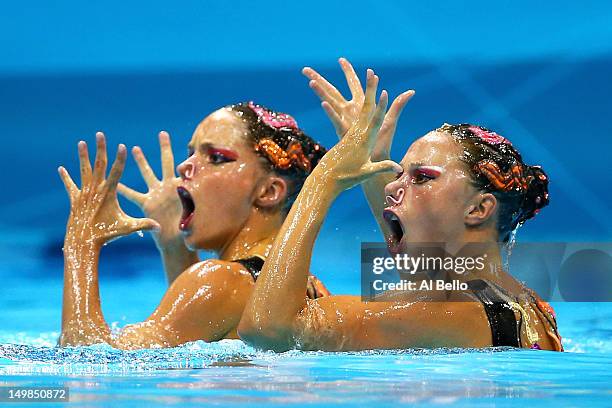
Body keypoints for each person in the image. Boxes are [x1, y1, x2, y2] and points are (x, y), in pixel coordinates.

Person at [237, 61, 563, 352]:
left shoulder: (447, 313)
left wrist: (323, 179)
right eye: (399, 174)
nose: (393, 185)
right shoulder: (528, 304)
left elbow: (269, 329)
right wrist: (375, 162)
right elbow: (426, 272)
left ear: (478, 209)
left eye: (421, 177)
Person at [58, 102, 330, 349]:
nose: (184, 166)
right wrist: (173, 244)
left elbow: (89, 359)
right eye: (190, 153)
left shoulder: (219, 281)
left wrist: (81, 243)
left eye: (216, 157)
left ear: (269, 191)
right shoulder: (308, 289)